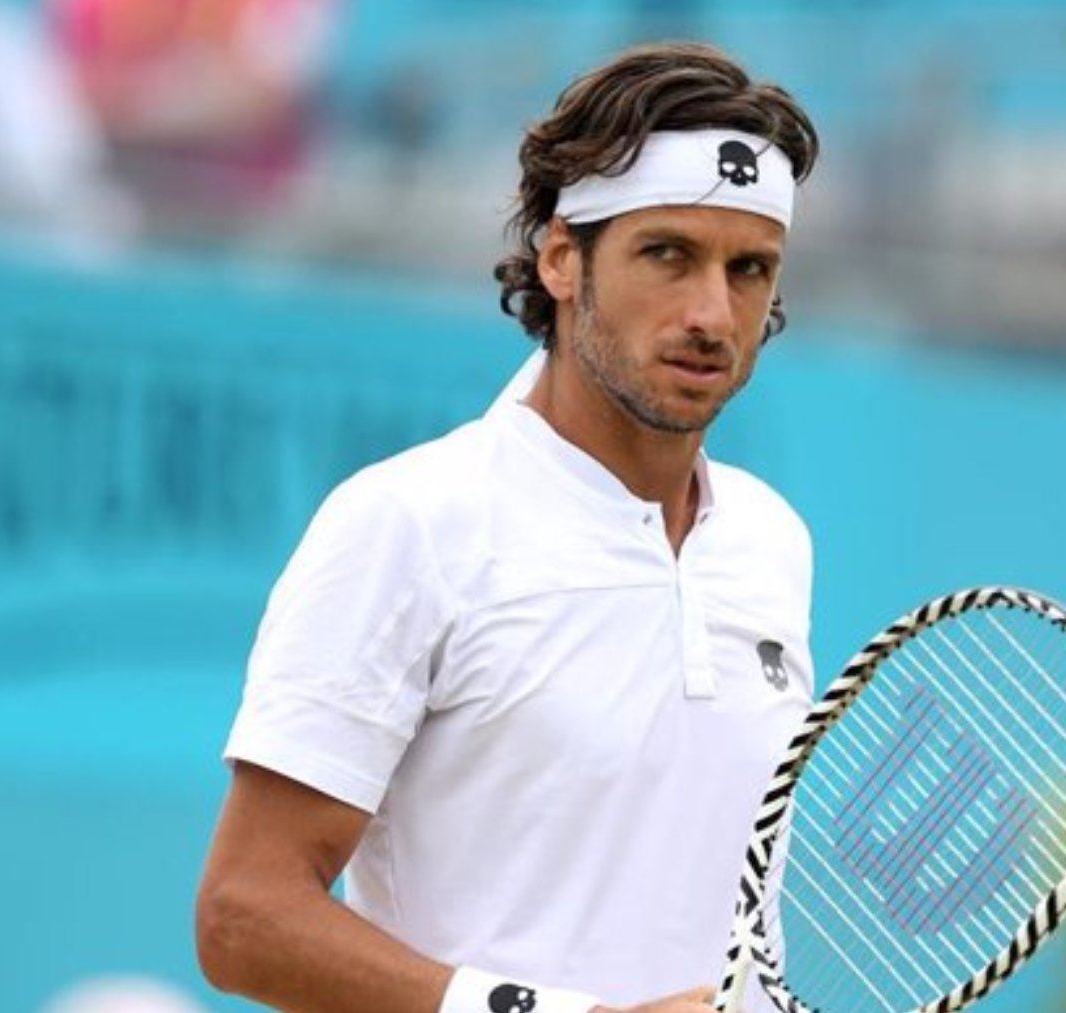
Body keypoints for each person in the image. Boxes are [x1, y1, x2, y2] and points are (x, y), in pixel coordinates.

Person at [195, 41, 821, 1013]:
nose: (712, 311)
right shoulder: (410, 521)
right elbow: (243, 915)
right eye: (668, 253)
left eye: (749, 268)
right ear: (562, 257)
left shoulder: (773, 542)